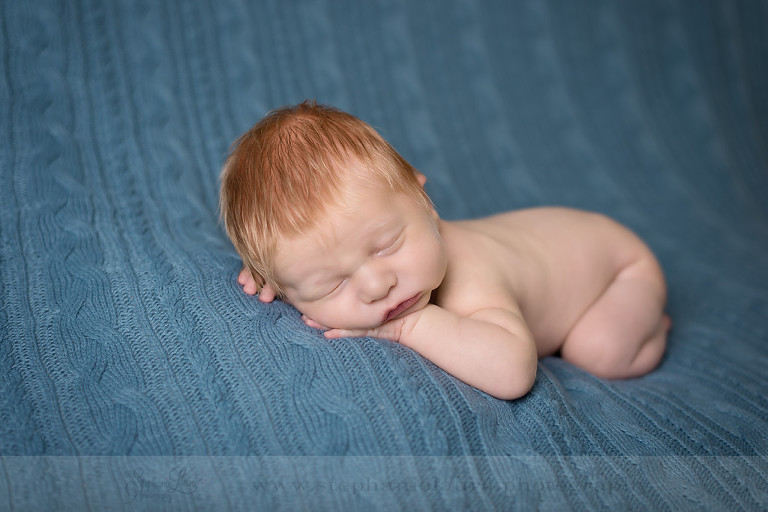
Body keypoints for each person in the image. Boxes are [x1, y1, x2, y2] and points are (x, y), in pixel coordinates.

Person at [220, 100, 670, 400]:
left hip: (615, 266)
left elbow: (513, 373)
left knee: (600, 351)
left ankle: (654, 322)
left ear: (425, 201)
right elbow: (310, 257)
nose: (378, 285)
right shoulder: (331, 255)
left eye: (387, 245)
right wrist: (272, 273)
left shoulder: (471, 277)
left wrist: (409, 328)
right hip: (551, 239)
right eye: (330, 283)